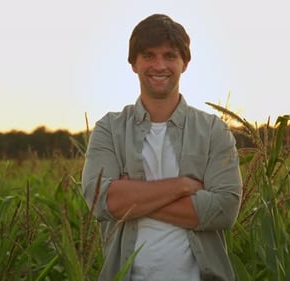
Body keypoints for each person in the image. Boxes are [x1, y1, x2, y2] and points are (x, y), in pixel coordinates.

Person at [81, 13, 243, 281]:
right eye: (149, 55)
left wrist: (132, 196)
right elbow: (100, 200)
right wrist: (181, 186)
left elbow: (225, 209)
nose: (160, 65)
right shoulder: (109, 128)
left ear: (185, 63)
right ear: (133, 63)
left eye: (170, 56)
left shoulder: (214, 130)